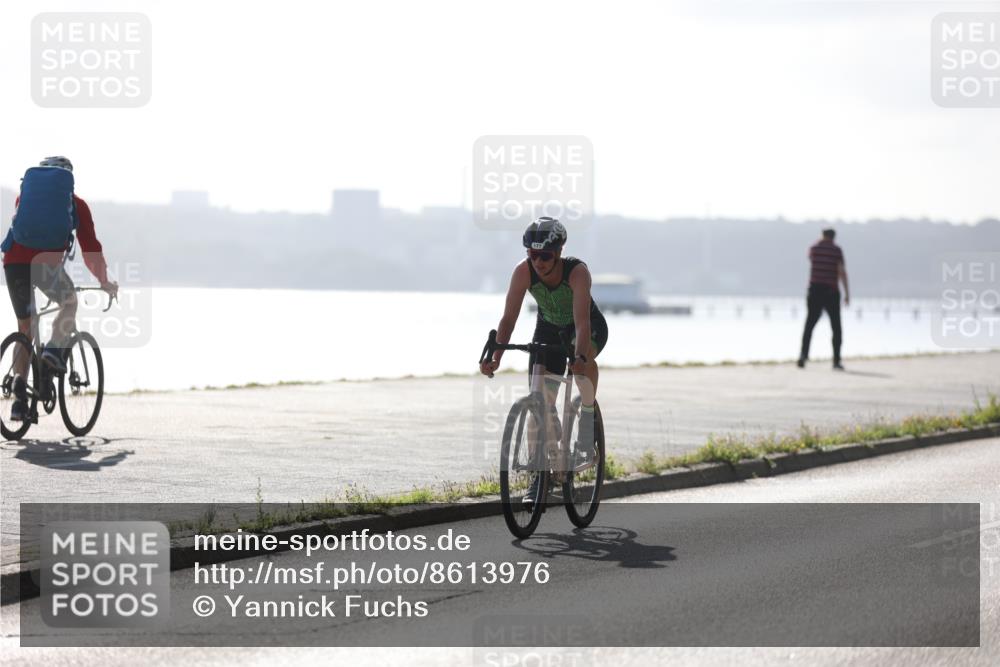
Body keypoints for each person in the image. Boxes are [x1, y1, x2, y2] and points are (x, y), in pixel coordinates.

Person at [479, 216, 608, 506]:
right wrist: (496, 357)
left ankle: (587, 417)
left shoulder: (577, 273)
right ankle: (539, 476)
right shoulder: (522, 272)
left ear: (559, 252)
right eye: (532, 254)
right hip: (548, 328)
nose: (538, 262)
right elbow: (508, 319)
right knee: (539, 402)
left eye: (545, 256)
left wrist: (579, 357)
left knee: (583, 366)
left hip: (584, 328)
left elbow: (583, 324)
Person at [2, 156, 118, 421]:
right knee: (69, 302)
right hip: (44, 266)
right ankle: (52, 354)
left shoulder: (25, 198)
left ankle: (19, 394)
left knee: (25, 327)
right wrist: (104, 281)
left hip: (13, 264)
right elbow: (90, 249)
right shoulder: (76, 205)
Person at [798, 228, 849, 370]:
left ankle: (803, 355)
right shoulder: (837, 250)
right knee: (836, 327)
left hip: (814, 291)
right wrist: (847, 293)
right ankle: (836, 360)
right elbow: (841, 272)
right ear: (834, 237)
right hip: (831, 292)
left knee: (809, 324)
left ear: (822, 235)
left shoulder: (814, 248)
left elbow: (810, 258)